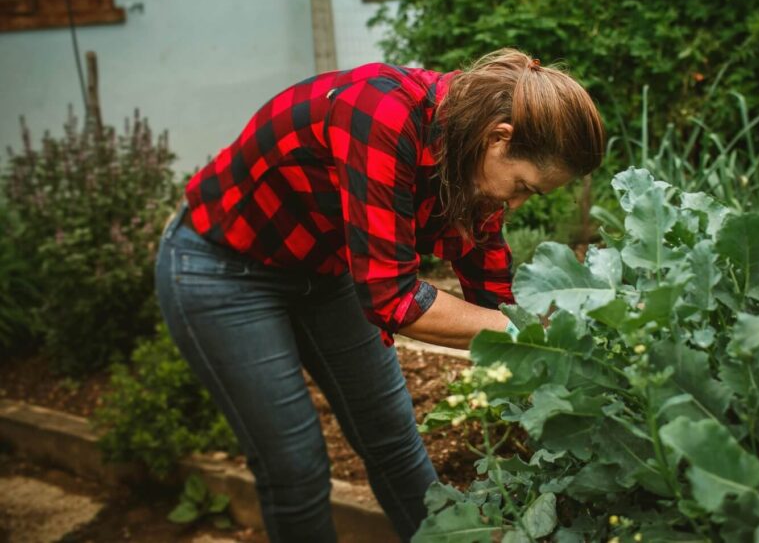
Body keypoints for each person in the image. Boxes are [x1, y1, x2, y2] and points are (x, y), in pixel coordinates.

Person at [154, 48, 605, 542]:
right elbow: (393, 300)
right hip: (224, 268)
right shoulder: (382, 116)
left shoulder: (471, 148)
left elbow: (490, 284)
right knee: (296, 466)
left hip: (326, 269)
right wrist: (521, 332)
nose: (515, 202)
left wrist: (556, 377)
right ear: (500, 138)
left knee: (393, 441)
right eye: (522, 186)